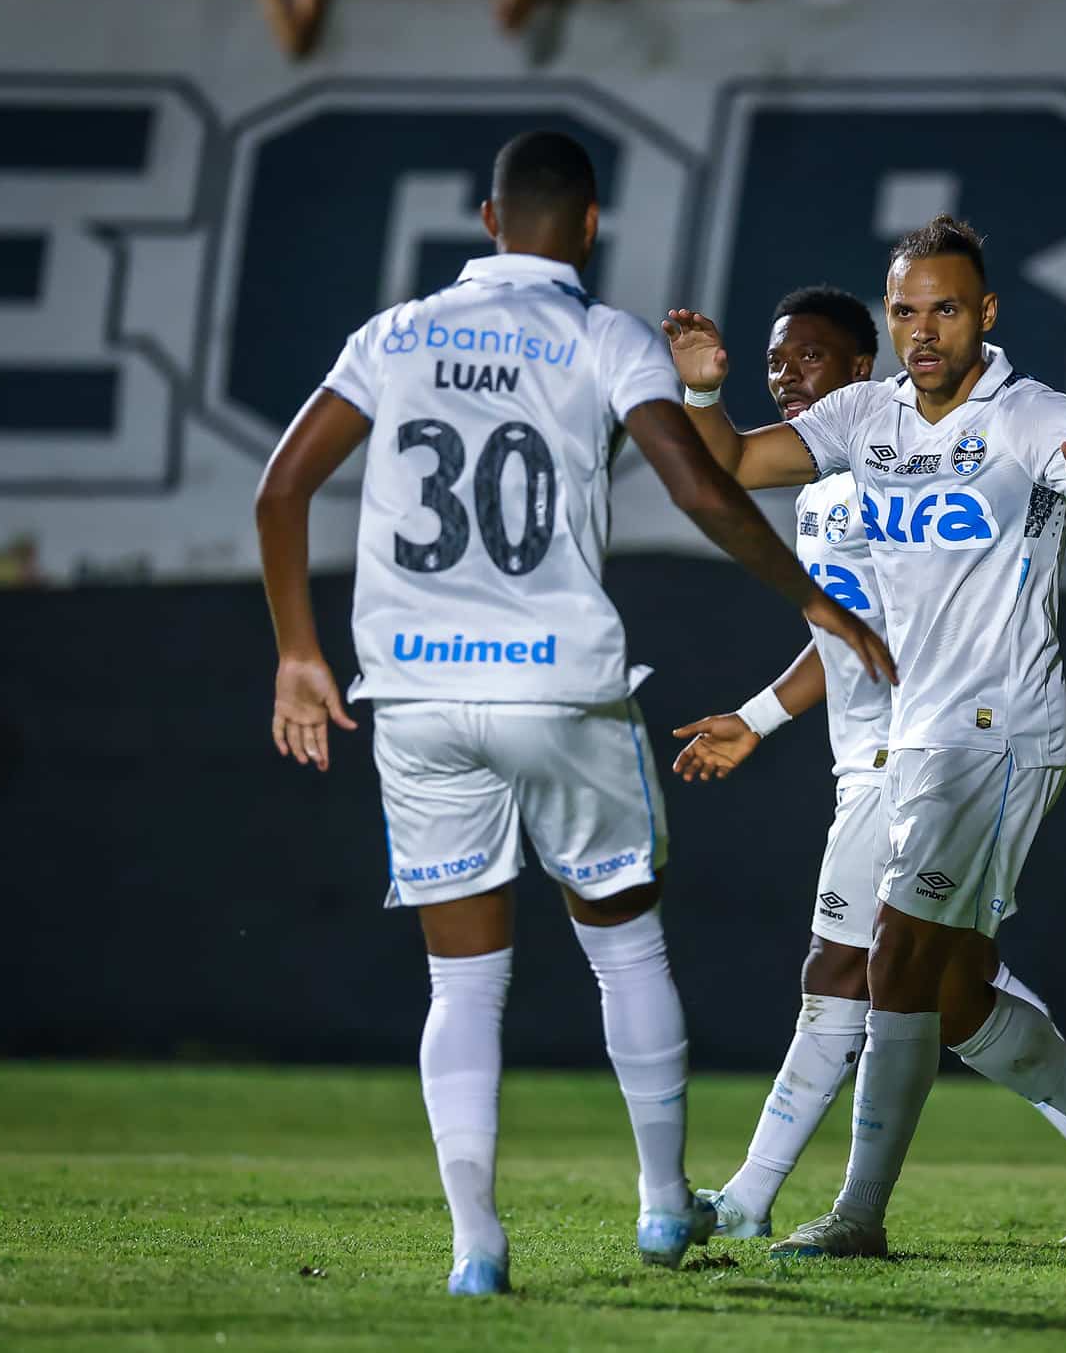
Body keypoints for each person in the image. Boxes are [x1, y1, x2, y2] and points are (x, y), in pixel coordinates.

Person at [253, 131, 894, 1297]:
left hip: (416, 689)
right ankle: (660, 1205)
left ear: (488, 223)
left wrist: (299, 651)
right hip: (559, 686)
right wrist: (812, 600)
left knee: (461, 986)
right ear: (588, 226)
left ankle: (475, 1250)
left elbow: (283, 485)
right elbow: (703, 486)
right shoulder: (604, 339)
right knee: (625, 946)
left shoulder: (393, 336)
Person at [660, 215, 1066, 1258]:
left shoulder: (1030, 417)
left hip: (998, 731)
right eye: (905, 309)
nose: (922, 330)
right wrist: (700, 390)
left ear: (982, 314)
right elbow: (724, 462)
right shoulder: (865, 416)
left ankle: (855, 1214)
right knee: (950, 996)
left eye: (944, 308)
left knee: (892, 961)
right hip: (914, 741)